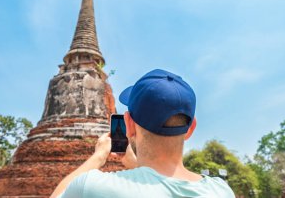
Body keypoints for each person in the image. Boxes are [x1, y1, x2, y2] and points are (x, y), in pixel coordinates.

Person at [51, 69, 235, 198]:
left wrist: (98, 156)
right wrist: (134, 164)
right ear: (190, 129)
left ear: (129, 125)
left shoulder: (93, 187)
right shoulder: (220, 191)